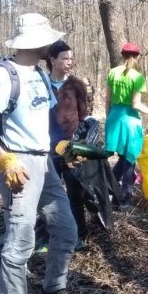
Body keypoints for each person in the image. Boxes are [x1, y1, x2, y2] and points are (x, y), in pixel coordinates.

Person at [0, 13, 78, 294]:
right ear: (34, 42)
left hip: (45, 164)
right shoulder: (4, 76)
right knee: (21, 238)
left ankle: (54, 287)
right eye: (48, 40)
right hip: (18, 164)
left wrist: (64, 149)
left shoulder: (40, 74)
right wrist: (5, 160)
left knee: (66, 229)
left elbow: (49, 125)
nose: (52, 45)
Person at [35, 40, 90, 252]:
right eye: (65, 58)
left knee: (76, 193)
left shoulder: (76, 85)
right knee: (47, 195)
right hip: (46, 147)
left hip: (71, 148)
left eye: (71, 58)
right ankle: (45, 239)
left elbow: (83, 117)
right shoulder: (41, 83)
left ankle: (78, 236)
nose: (69, 61)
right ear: (52, 60)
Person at [105, 42, 148, 205]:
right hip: (130, 121)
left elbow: (107, 100)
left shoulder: (112, 72)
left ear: (122, 55)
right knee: (129, 158)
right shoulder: (137, 77)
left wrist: (109, 118)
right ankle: (125, 197)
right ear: (137, 56)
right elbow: (136, 104)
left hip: (114, 117)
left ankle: (108, 189)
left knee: (122, 158)